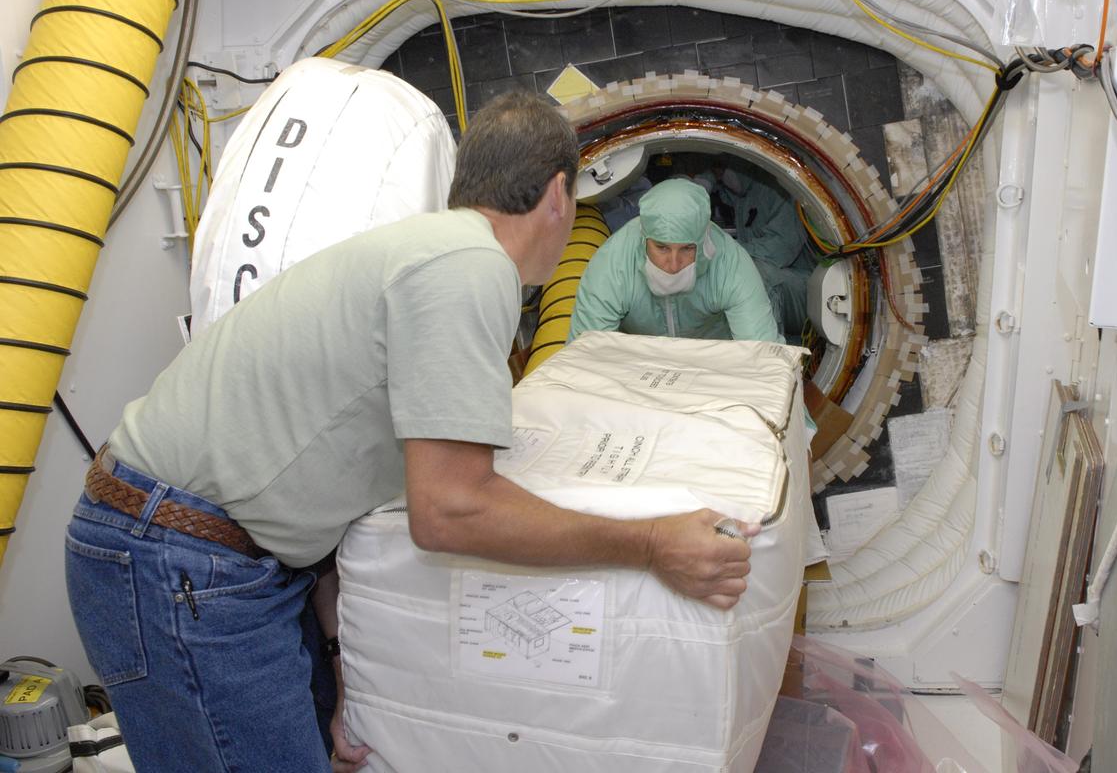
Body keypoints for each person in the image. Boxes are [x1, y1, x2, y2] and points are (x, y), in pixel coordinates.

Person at [64, 92, 759, 773]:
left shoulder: (433, 252)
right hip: (177, 557)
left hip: (221, 558)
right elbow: (450, 510)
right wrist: (651, 542)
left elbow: (338, 493)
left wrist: (344, 682)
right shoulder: (468, 268)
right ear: (557, 194)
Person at [569, 177, 784, 343]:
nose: (673, 265)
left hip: (715, 369)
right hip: (640, 371)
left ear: (703, 241)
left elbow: (763, 355)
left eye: (687, 248)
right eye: (661, 247)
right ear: (643, 239)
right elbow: (585, 358)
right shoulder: (614, 264)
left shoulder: (729, 264)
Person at [703, 165, 814, 337]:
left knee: (754, 273)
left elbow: (780, 251)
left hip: (808, 290)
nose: (719, 172)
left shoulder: (779, 190)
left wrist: (726, 252)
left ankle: (765, 353)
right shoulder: (740, 195)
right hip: (783, 280)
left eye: (720, 166)